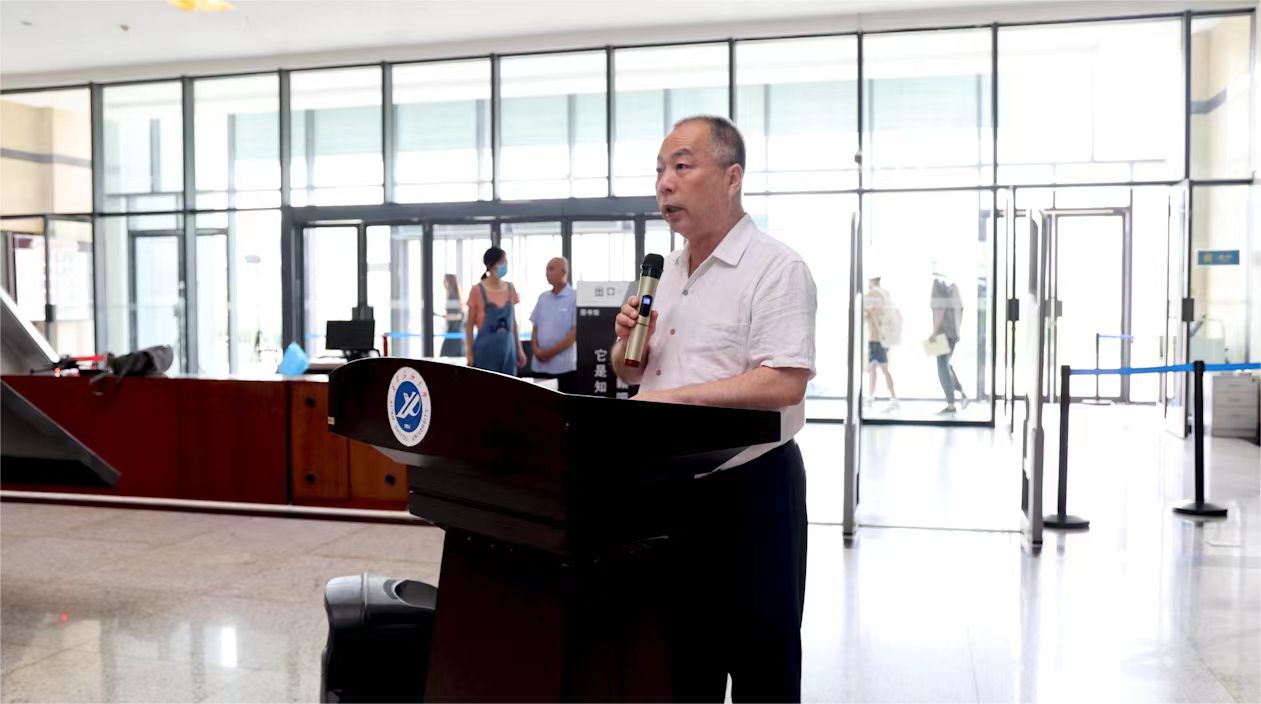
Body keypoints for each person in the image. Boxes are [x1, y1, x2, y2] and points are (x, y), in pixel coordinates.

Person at [611, 115, 817, 703]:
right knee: (678, 664)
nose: (664, 183)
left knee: (762, 666)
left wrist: (669, 402)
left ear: (732, 177)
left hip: (750, 490)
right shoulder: (663, 274)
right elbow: (633, 373)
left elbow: (784, 380)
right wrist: (626, 347)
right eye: (659, 170)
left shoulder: (776, 267)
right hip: (664, 492)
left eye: (682, 165)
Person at [465, 247, 526, 375]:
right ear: (491, 265)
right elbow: (469, 325)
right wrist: (469, 353)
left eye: (506, 262)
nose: (505, 265)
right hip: (484, 353)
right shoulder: (477, 290)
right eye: (502, 262)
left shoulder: (510, 288)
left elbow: (513, 322)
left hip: (508, 352)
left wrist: (519, 349)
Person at [529, 256, 578, 393]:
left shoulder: (574, 297)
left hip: (564, 367)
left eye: (550, 269)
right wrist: (536, 350)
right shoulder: (543, 297)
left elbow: (574, 333)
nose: (547, 273)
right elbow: (535, 326)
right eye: (546, 269)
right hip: (540, 365)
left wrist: (549, 353)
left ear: (563, 272)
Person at [930, 268, 967, 413]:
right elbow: (961, 310)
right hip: (953, 333)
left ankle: (951, 404)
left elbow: (939, 310)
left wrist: (934, 333)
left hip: (942, 334)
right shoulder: (953, 287)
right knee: (946, 366)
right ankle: (962, 394)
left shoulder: (938, 285)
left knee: (942, 368)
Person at [863, 275, 900, 411]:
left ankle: (893, 397)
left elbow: (868, 313)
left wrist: (869, 314)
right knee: (875, 367)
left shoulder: (872, 294)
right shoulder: (885, 294)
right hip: (884, 337)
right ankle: (872, 396)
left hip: (875, 337)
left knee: (880, 368)